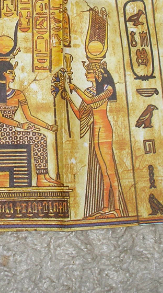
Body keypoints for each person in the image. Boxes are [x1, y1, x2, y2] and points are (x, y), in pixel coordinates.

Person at [0, 23, 61, 187]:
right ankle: (41, 178)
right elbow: (1, 119)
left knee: (41, 136)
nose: (14, 75)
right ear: (3, 74)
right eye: (11, 72)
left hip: (14, 131)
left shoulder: (18, 94)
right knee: (38, 139)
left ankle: (44, 176)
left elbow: (29, 116)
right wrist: (22, 126)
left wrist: (48, 126)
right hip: (3, 135)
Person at [64, 60, 128, 219]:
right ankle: (106, 207)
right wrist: (68, 98)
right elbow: (80, 115)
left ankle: (117, 209)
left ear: (97, 74)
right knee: (103, 171)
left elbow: (91, 101)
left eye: (89, 72)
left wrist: (75, 89)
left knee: (110, 169)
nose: (86, 74)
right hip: (95, 129)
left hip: (104, 128)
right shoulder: (88, 91)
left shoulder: (107, 89)